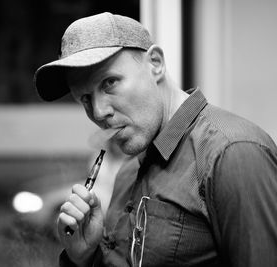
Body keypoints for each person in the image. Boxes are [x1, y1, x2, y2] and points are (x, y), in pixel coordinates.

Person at [33, 12, 277, 267]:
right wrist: (85, 258)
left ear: (156, 63)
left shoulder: (233, 154)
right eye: (85, 98)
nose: (98, 112)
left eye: (109, 83)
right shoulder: (128, 172)